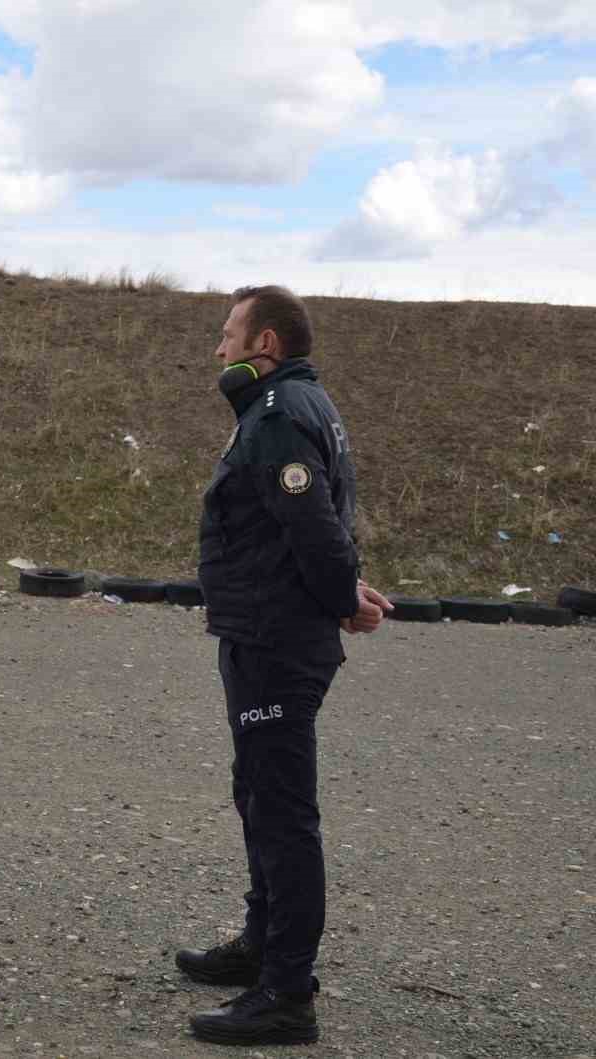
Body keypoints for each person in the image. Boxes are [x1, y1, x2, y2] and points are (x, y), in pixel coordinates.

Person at [176, 285, 392, 1046]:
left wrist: (342, 598)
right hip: (266, 629)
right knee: (257, 794)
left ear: (264, 343)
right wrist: (342, 587)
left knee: (282, 812)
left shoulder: (276, 416)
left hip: (275, 639)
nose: (219, 348)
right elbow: (323, 518)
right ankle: (263, 944)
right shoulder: (303, 405)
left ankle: (287, 992)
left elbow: (314, 525)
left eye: (229, 333)